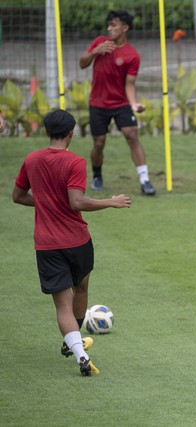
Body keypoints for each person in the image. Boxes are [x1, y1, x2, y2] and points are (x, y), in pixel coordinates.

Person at [12, 109, 132, 376]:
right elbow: (76, 201)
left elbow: (18, 196)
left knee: (62, 304)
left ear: (46, 132)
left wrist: (45, 203)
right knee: (81, 287)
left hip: (47, 244)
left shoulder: (32, 160)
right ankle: (76, 346)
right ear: (71, 133)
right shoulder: (74, 162)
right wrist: (111, 201)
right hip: (77, 240)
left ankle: (76, 349)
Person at [79, 10, 156, 196]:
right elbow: (82, 63)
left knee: (132, 135)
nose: (109, 28)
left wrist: (134, 104)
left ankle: (144, 179)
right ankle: (97, 176)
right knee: (99, 143)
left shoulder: (132, 55)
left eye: (114, 25)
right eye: (109, 25)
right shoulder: (100, 42)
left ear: (125, 28)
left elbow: (129, 83)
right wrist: (96, 51)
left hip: (121, 103)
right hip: (97, 103)